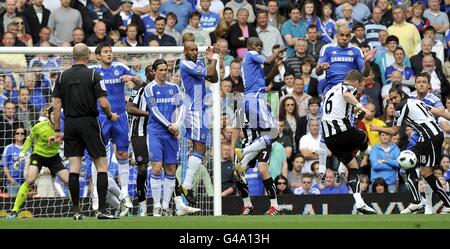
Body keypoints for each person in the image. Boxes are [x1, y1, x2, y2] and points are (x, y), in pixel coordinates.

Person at [51, 43, 120, 220]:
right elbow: (103, 103)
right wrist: (110, 115)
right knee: (101, 166)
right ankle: (102, 210)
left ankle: (76, 211)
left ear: (73, 56)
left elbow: (56, 106)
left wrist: (58, 129)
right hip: (89, 122)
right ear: (88, 55)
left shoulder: (61, 76)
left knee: (74, 168)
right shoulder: (93, 74)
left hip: (71, 124)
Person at [371, 77, 450, 214]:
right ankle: (417, 202)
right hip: (426, 137)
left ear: (401, 95)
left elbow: (394, 131)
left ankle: (446, 204)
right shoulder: (415, 101)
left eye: (395, 98)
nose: (393, 101)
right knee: (406, 163)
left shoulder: (401, 106)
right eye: (390, 99)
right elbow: (439, 112)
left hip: (430, 137)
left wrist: (378, 127)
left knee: (426, 172)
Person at [231, 37, 286, 215]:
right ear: (250, 46)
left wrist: (276, 66)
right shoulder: (252, 55)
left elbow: (266, 78)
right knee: (275, 132)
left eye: (262, 45)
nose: (260, 47)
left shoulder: (252, 69)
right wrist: (279, 50)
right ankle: (248, 204)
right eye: (257, 44)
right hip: (252, 139)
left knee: (261, 170)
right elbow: (236, 129)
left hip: (260, 141)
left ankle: (274, 206)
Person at [90, 42, 143, 211]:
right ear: (98, 56)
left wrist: (132, 78)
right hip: (101, 117)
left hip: (120, 117)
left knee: (122, 153)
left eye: (110, 51)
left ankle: (125, 193)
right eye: (105, 52)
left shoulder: (120, 67)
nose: (109, 54)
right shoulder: (93, 71)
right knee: (97, 155)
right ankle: (97, 195)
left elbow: (140, 83)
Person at [321, 70, 377, 214]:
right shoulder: (347, 87)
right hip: (341, 131)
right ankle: (363, 152)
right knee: (363, 136)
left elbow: (340, 106)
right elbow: (347, 94)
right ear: (357, 82)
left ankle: (359, 202)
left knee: (352, 168)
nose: (362, 88)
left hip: (329, 138)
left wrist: (357, 111)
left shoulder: (330, 90)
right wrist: (362, 107)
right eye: (362, 85)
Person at [6, 107, 69, 218]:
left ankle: (76, 211)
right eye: (53, 114)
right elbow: (30, 139)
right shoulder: (39, 127)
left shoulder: (64, 127)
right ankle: (14, 211)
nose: (55, 117)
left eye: (57, 114)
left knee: (70, 181)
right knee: (30, 180)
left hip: (54, 157)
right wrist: (22, 153)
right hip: (38, 156)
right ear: (49, 116)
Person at [178, 41, 220, 206]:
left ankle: (187, 185)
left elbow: (214, 78)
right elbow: (210, 72)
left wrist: (211, 61)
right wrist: (215, 56)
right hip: (194, 110)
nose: (195, 52)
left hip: (199, 110)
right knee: (200, 148)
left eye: (196, 49)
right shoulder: (186, 64)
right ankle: (187, 185)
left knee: (200, 148)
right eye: (191, 50)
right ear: (185, 51)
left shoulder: (199, 64)